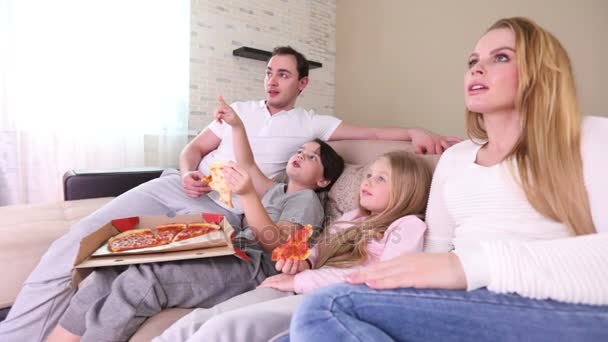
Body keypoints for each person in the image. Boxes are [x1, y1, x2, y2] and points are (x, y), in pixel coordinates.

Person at [0, 46, 458, 341]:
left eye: (284, 73)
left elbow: (281, 239)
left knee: (138, 277)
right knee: (99, 257)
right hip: (196, 203)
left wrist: (417, 131)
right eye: (269, 72)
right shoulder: (254, 142)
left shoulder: (310, 144)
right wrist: (194, 166)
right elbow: (229, 162)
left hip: (236, 235)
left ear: (302, 83)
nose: (272, 79)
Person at [287, 17, 608, 342]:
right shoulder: (455, 160)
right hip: (466, 306)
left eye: (500, 57)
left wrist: (468, 267)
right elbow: (431, 256)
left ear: (542, 70)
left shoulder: (592, 137)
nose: (477, 69)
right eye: (473, 61)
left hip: (554, 307)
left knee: (326, 309)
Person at [46, 95, 345, 341]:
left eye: (312, 157)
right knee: (112, 268)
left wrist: (248, 195)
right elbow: (247, 163)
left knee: (143, 280)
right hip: (228, 247)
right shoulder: (277, 189)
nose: (301, 155)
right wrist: (237, 125)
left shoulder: (306, 200)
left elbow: (277, 246)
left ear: (323, 180)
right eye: (301, 150)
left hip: (253, 267)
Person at [154, 150, 433, 342]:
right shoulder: (353, 217)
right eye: (368, 175)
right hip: (300, 284)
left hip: (329, 299)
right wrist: (304, 262)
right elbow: (320, 249)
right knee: (203, 318)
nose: (367, 182)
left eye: (380, 178)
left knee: (223, 328)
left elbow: (380, 279)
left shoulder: (407, 226)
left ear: (406, 190)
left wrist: (302, 279)